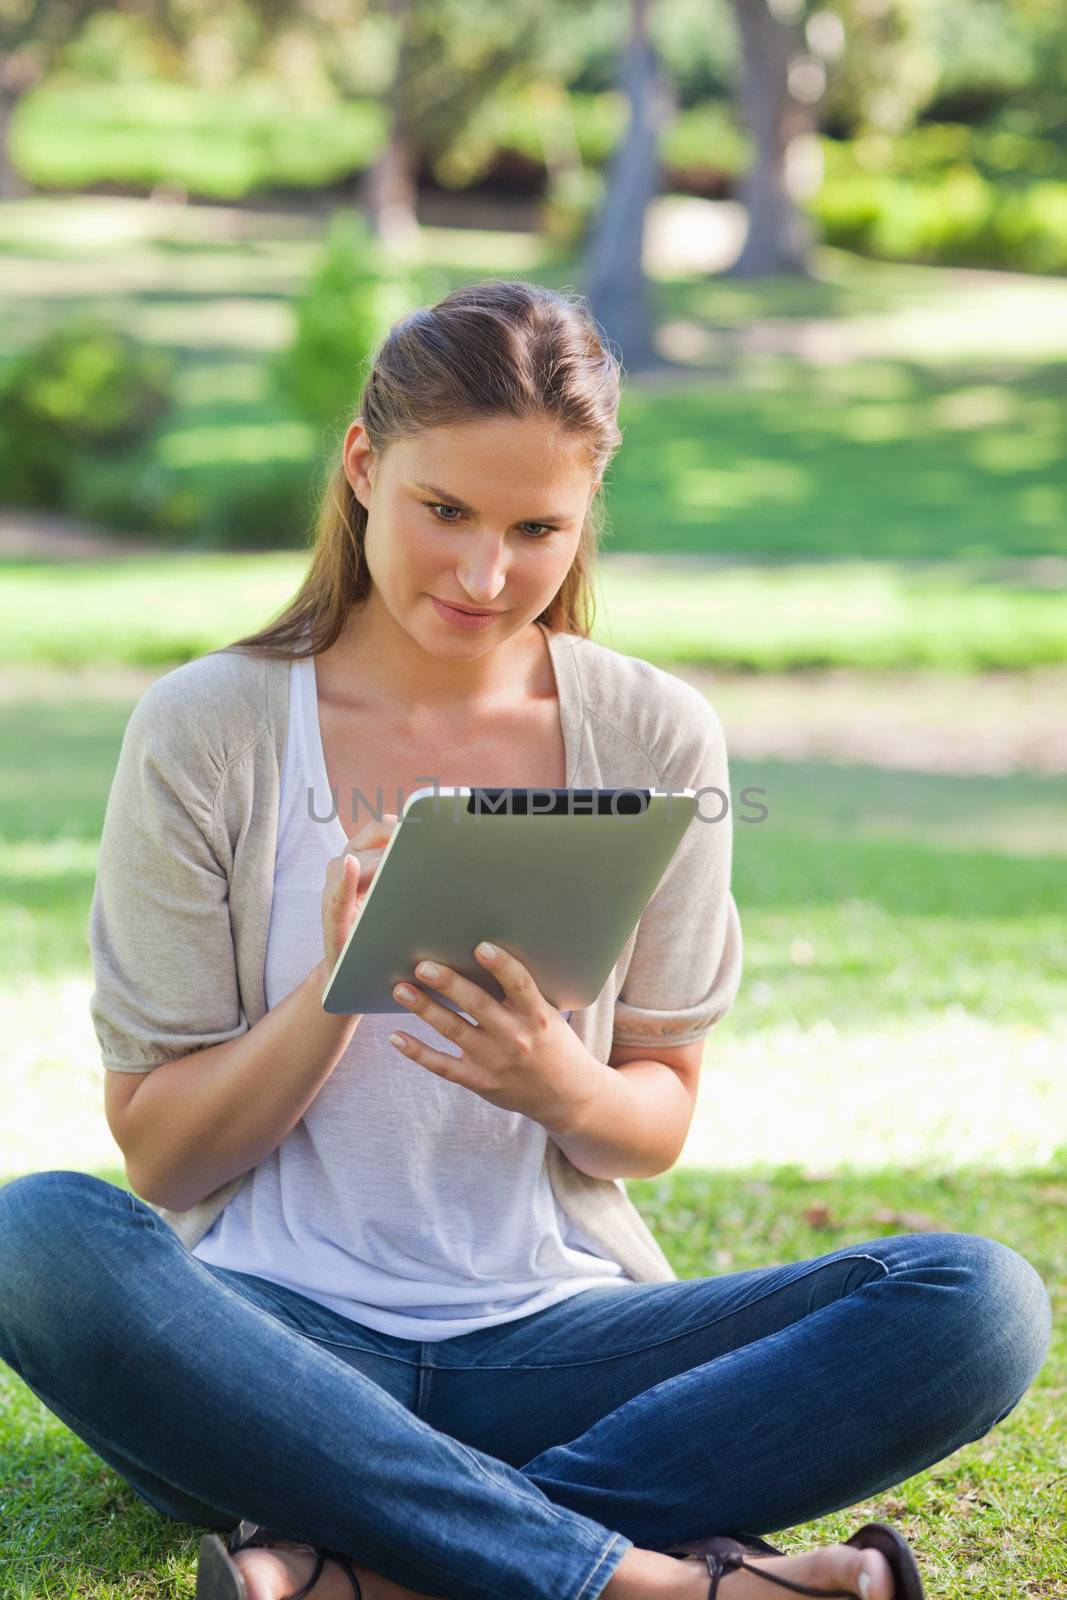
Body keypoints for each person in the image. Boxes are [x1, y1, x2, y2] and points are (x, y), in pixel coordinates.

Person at [0, 280, 1052, 1600]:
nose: (485, 574)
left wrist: (558, 1083)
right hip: (275, 1349)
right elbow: (160, 1152)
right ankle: (641, 1580)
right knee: (40, 1237)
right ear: (365, 466)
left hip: (560, 1338)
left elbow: (656, 1118)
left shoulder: (654, 735)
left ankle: (377, 1565)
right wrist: (336, 986)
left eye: (536, 528)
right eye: (446, 512)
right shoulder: (206, 729)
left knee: (977, 1305)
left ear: (583, 520)